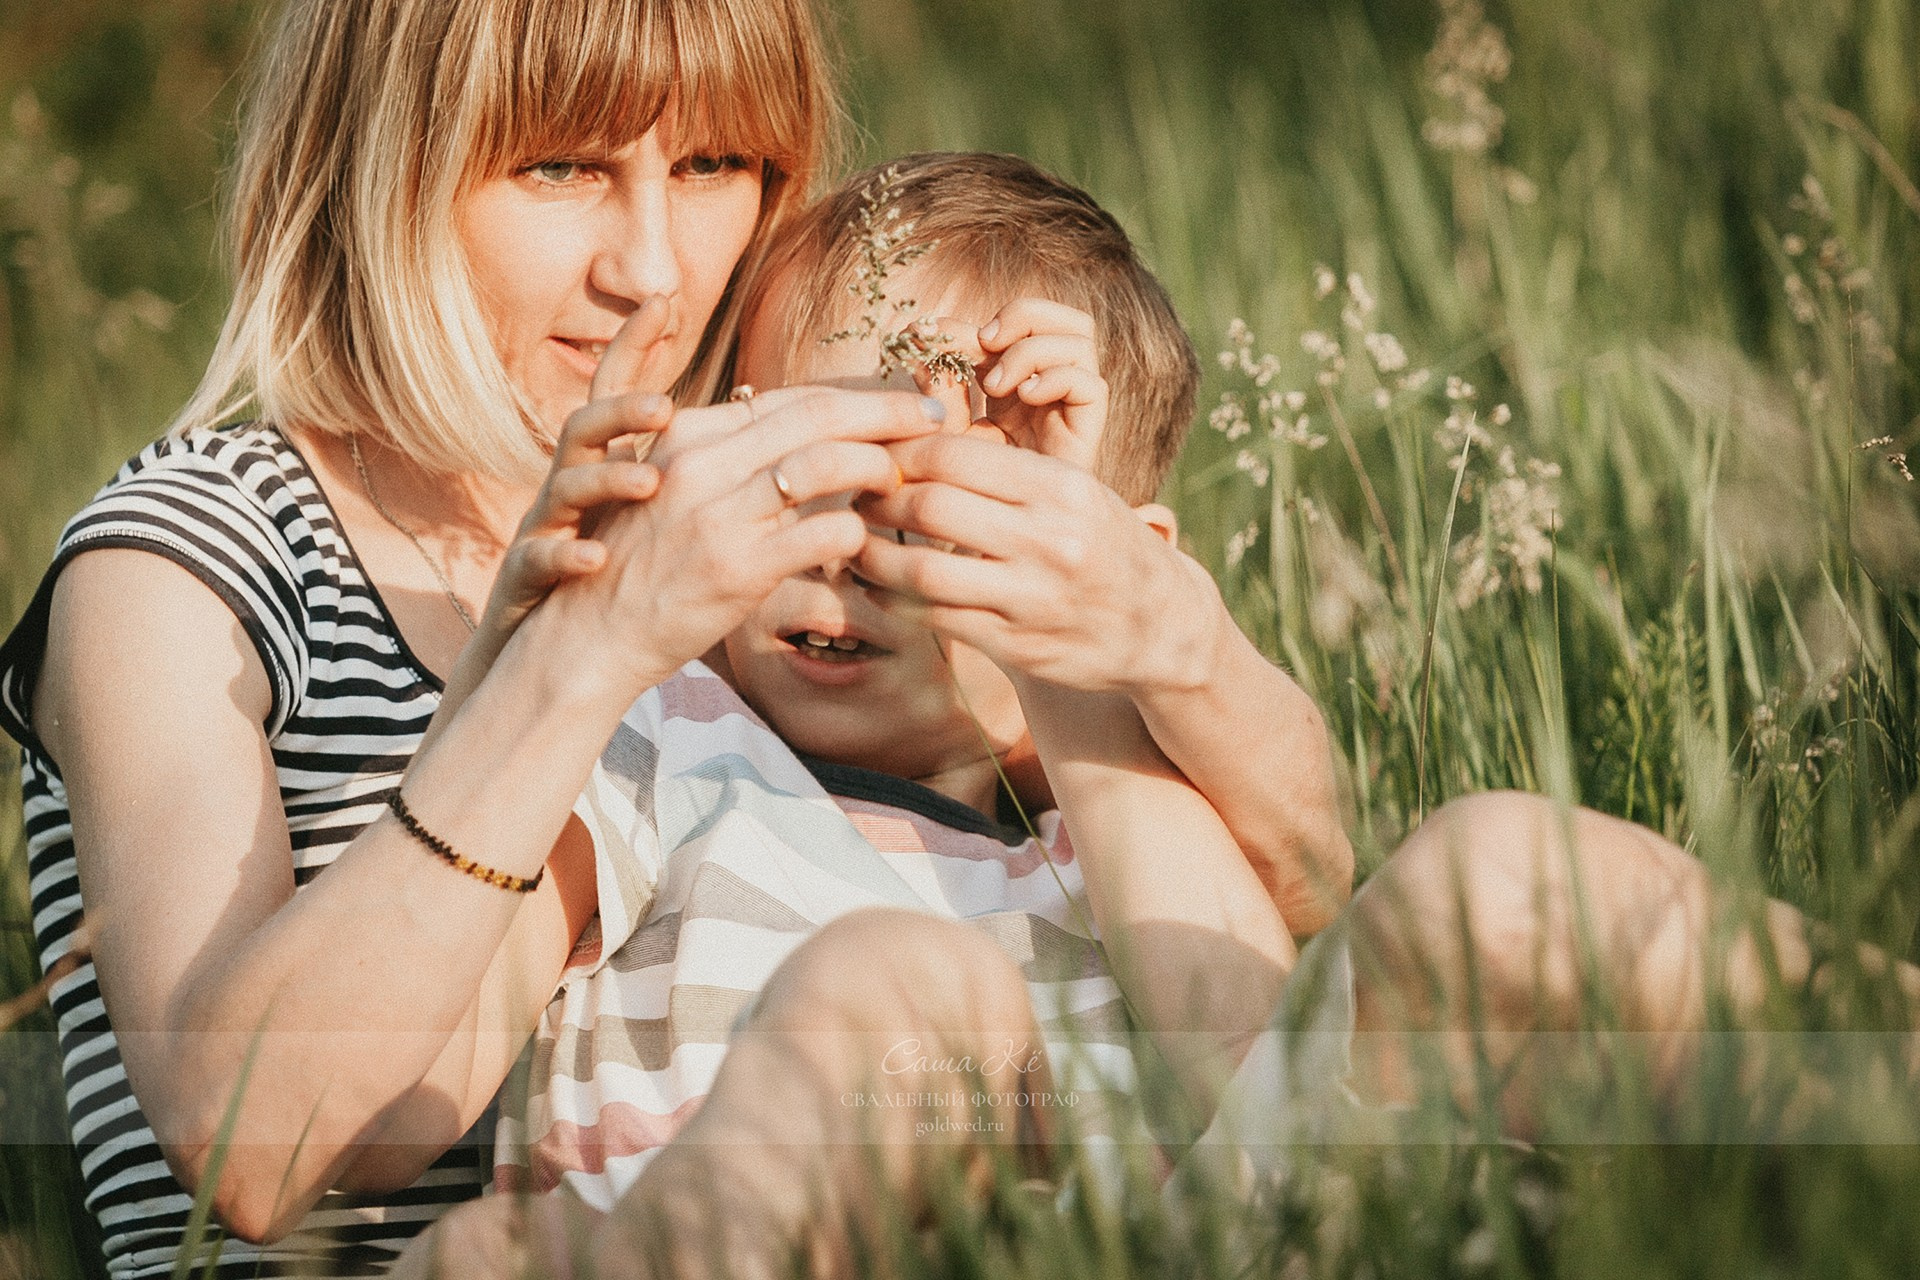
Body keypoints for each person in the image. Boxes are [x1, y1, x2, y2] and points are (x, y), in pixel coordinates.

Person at [396, 152, 1920, 1280]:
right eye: (802, 475)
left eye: (944, 511)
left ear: (1131, 566)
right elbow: (470, 908)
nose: (857, 554)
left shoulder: (1118, 805)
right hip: (753, 1229)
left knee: (1506, 870)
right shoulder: (673, 738)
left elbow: (1241, 1088)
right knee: (894, 993)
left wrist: (1081, 674)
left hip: (1178, 1243)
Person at [0, 8, 1350, 1278]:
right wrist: (583, 659)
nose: (652, 265)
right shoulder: (188, 557)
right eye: (559, 168)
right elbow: (250, 1146)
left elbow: (1287, 893)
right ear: (380, 165)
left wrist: (1151, 629)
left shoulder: (756, 555)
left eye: (713, 163)